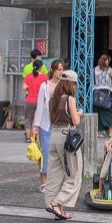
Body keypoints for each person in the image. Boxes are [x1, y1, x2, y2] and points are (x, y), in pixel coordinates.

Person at [45, 69, 82, 221]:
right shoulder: (69, 100)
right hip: (67, 137)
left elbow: (50, 120)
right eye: (75, 84)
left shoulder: (53, 98)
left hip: (53, 135)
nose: (76, 87)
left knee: (54, 173)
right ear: (71, 84)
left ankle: (53, 205)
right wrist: (78, 113)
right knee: (74, 173)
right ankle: (56, 203)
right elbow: (76, 122)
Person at [32, 59, 65, 194]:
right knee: (45, 153)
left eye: (62, 69)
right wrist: (36, 125)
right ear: (52, 70)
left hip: (60, 124)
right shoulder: (44, 86)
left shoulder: (64, 85)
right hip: (45, 124)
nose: (60, 72)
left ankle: (57, 182)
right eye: (58, 69)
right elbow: (40, 106)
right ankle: (44, 182)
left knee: (59, 154)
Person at [94, 54, 112, 137]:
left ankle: (97, 132)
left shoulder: (94, 70)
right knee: (110, 112)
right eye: (108, 61)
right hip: (105, 93)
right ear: (106, 61)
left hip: (95, 93)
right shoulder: (108, 70)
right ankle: (110, 132)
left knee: (97, 113)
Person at [22, 59, 47, 142]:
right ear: (40, 68)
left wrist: (31, 88)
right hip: (40, 101)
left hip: (30, 100)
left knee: (29, 119)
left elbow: (24, 87)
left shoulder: (29, 76)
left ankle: (28, 138)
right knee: (39, 119)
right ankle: (37, 136)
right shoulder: (44, 77)